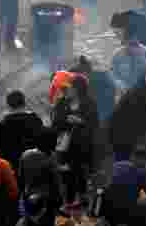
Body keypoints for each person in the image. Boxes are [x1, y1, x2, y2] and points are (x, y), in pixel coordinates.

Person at [50, 75, 97, 208]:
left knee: (80, 173)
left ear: (78, 89)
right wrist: (66, 120)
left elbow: (94, 124)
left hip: (82, 146)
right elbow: (55, 124)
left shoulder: (89, 103)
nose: (67, 90)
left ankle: (82, 199)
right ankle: (69, 201)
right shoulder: (62, 103)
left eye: (70, 87)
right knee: (66, 174)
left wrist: (81, 122)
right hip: (65, 146)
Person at [108, 62, 146, 161]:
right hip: (121, 133)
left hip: (124, 132)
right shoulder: (141, 90)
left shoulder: (144, 88)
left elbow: (144, 111)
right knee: (123, 163)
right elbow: (139, 115)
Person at [100, 150, 146, 226]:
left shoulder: (116, 168)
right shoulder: (141, 174)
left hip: (109, 213)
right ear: (144, 161)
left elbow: (103, 188)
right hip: (127, 214)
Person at [0, 90, 44, 173]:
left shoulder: (3, 125)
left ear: (8, 106)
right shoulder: (35, 120)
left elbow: (0, 151)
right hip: (36, 168)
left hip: (13, 169)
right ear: (24, 103)